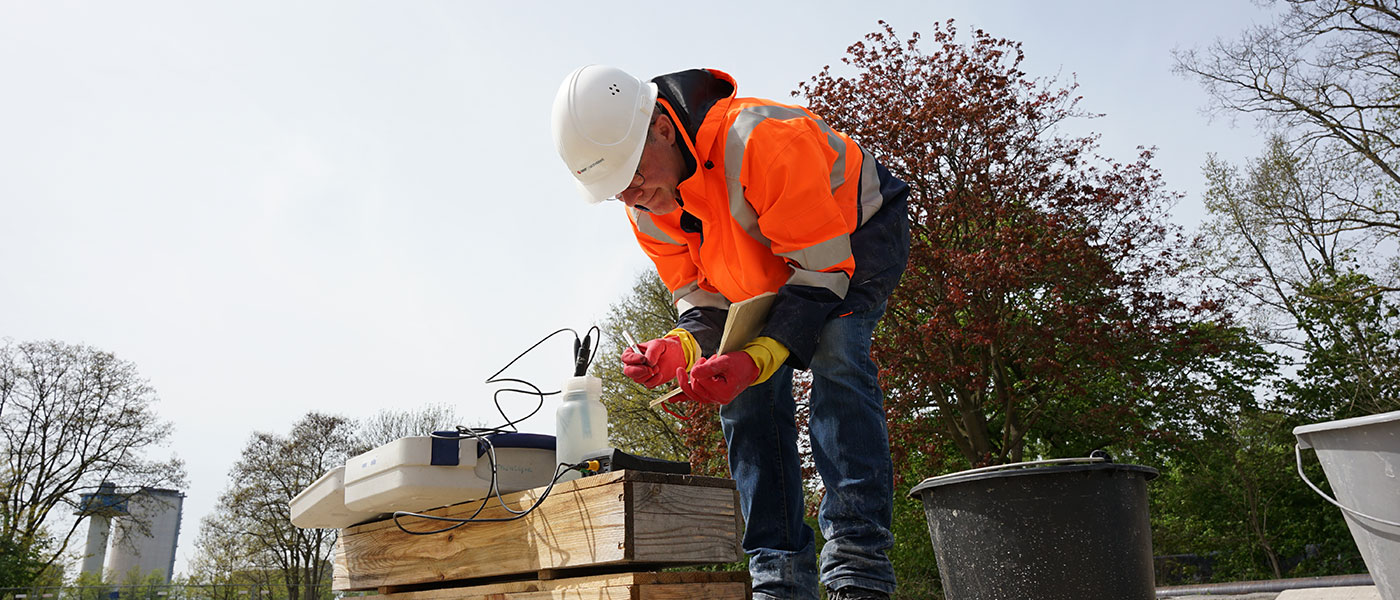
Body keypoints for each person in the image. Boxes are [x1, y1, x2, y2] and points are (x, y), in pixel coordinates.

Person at [550, 65, 910, 600]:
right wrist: (679, 347)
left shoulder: (762, 140)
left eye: (629, 172)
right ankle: (779, 576)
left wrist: (757, 356)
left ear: (663, 129)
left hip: (851, 240)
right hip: (771, 271)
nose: (628, 195)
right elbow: (703, 299)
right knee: (742, 402)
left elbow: (818, 276)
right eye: (613, 190)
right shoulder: (646, 204)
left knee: (837, 352)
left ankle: (859, 567)